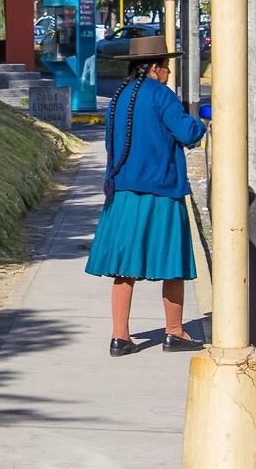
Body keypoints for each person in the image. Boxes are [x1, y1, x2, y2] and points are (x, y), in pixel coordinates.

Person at [85, 35, 206, 357]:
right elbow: (188, 133)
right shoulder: (161, 95)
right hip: (161, 190)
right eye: (166, 67)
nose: (167, 73)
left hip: (123, 191)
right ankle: (175, 332)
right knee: (173, 262)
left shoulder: (119, 96)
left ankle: (120, 337)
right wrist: (201, 123)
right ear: (155, 68)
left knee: (124, 267)